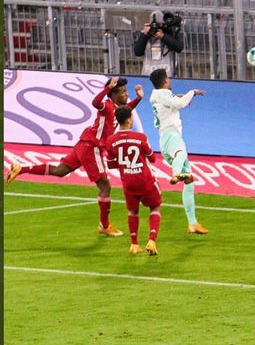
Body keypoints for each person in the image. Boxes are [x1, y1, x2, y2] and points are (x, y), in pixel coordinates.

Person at [6, 76, 143, 237]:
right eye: (122, 92)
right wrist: (107, 88)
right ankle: (104, 225)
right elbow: (95, 103)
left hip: (84, 145)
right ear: (113, 94)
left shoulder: (118, 109)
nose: (126, 95)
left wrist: (139, 98)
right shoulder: (106, 106)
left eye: (126, 91)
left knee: (60, 170)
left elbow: (128, 108)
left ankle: (21, 168)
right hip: (92, 147)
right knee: (105, 185)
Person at [149, 68, 208, 234]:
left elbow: (175, 100)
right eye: (168, 78)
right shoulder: (162, 94)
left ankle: (193, 223)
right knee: (180, 153)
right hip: (171, 136)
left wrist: (189, 96)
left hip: (166, 138)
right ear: (165, 80)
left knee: (190, 181)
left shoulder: (158, 95)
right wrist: (191, 92)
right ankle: (175, 174)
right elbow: (179, 103)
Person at [105, 106, 163, 255]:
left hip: (128, 181)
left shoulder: (110, 141)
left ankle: (134, 244)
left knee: (133, 211)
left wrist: (126, 165)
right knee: (155, 207)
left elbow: (111, 164)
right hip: (145, 180)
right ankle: (151, 240)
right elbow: (153, 158)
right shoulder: (140, 138)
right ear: (129, 120)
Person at [134, 10, 184, 77]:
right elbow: (137, 52)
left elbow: (179, 47)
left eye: (159, 25)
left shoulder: (169, 34)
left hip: (167, 76)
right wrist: (144, 34)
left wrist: (163, 36)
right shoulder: (146, 35)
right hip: (148, 75)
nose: (156, 28)